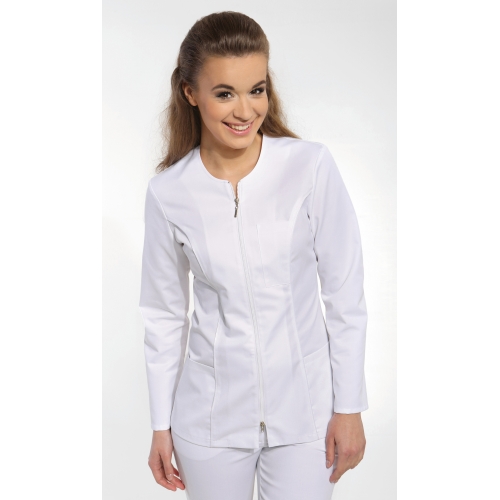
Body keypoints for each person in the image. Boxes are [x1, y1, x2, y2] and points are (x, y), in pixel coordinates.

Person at [139, 11, 368, 500]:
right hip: (209, 420)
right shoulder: (168, 192)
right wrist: (161, 425)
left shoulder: (309, 166)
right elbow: (163, 315)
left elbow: (345, 293)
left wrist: (349, 406)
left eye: (256, 90)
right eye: (225, 93)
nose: (245, 110)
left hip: (306, 414)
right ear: (190, 92)